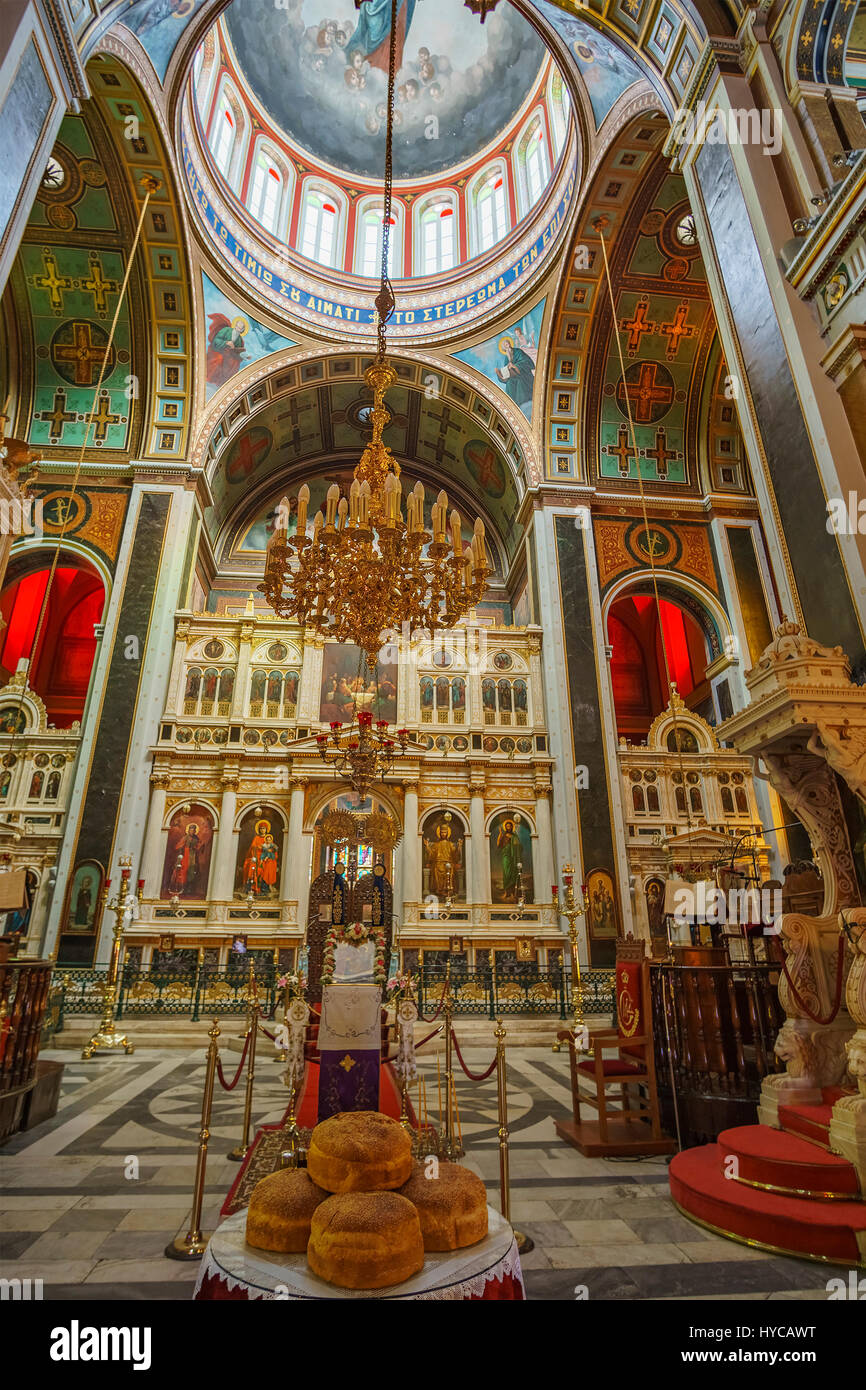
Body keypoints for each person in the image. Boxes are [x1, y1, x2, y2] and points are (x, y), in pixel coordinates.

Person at [495, 336, 535, 411]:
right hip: (514, 376)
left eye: (507, 344)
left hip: (524, 374)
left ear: (510, 343)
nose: (507, 346)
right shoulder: (507, 357)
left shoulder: (518, 351)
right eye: (505, 346)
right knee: (509, 383)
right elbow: (507, 372)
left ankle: (523, 403)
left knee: (520, 382)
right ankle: (513, 406)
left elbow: (527, 361)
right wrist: (500, 374)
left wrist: (515, 366)